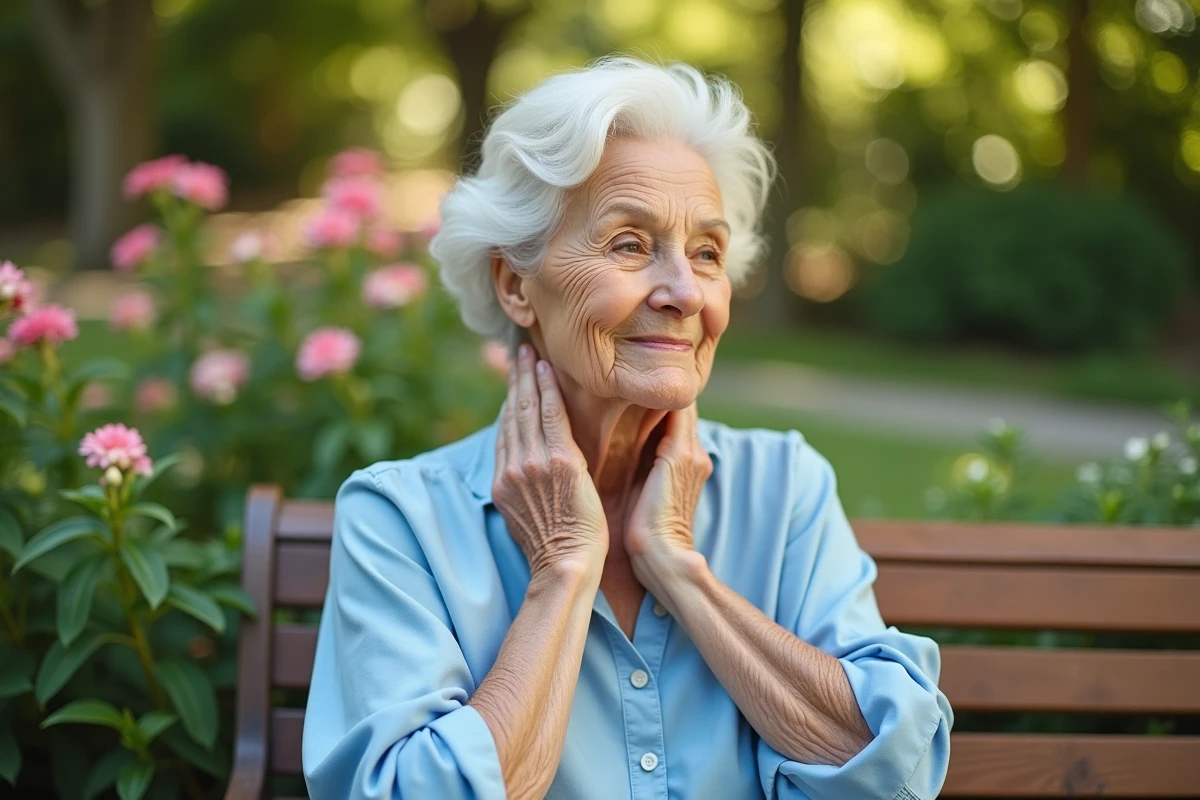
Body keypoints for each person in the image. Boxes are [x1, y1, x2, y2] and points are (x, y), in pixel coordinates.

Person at [302, 56, 953, 800]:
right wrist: (563, 571)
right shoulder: (403, 518)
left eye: (707, 253)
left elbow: (893, 777)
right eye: (630, 244)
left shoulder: (786, 488)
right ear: (516, 285)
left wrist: (680, 569)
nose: (683, 291)